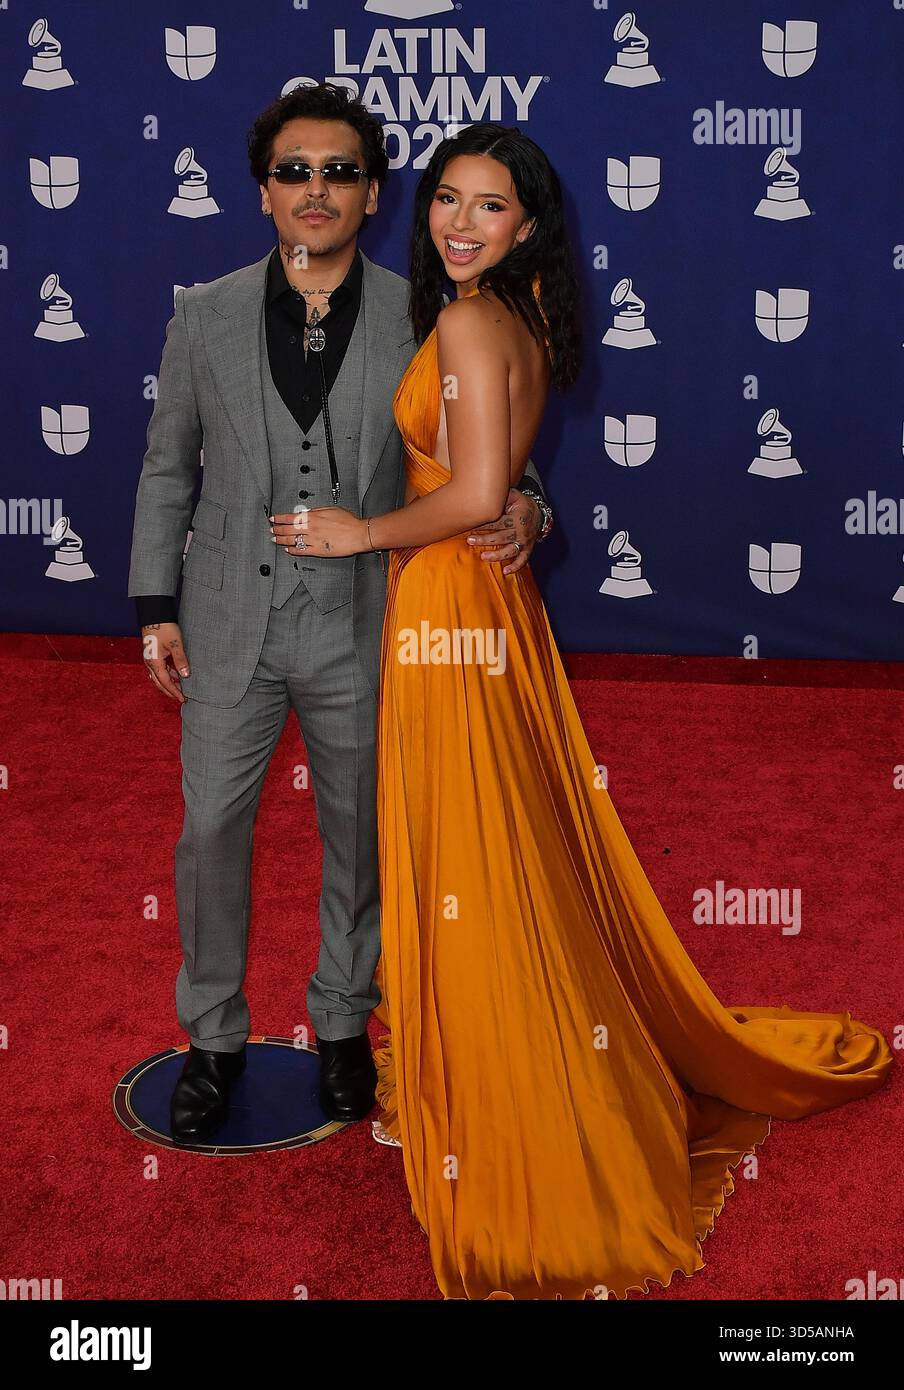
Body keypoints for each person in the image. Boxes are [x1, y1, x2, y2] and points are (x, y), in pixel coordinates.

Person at [272, 122, 895, 1300]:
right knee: (497, 841)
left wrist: (369, 532)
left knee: (457, 840)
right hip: (480, 606)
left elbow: (471, 487)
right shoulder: (517, 314)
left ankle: (481, 1091)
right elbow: (494, 468)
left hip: (445, 600)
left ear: (527, 225)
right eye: (448, 199)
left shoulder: (464, 315)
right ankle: (461, 1067)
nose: (460, 223)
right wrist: (518, 511)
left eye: (490, 207)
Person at [127, 84, 553, 1146]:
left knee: (360, 836)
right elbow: (166, 467)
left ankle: (341, 1023)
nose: (316, 190)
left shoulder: (432, 306)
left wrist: (531, 507)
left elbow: (489, 453)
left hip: (373, 618)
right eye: (294, 171)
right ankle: (213, 1038)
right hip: (228, 621)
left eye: (341, 172)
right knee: (211, 832)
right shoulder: (204, 313)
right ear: (264, 189)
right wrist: (153, 605)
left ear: (372, 194)